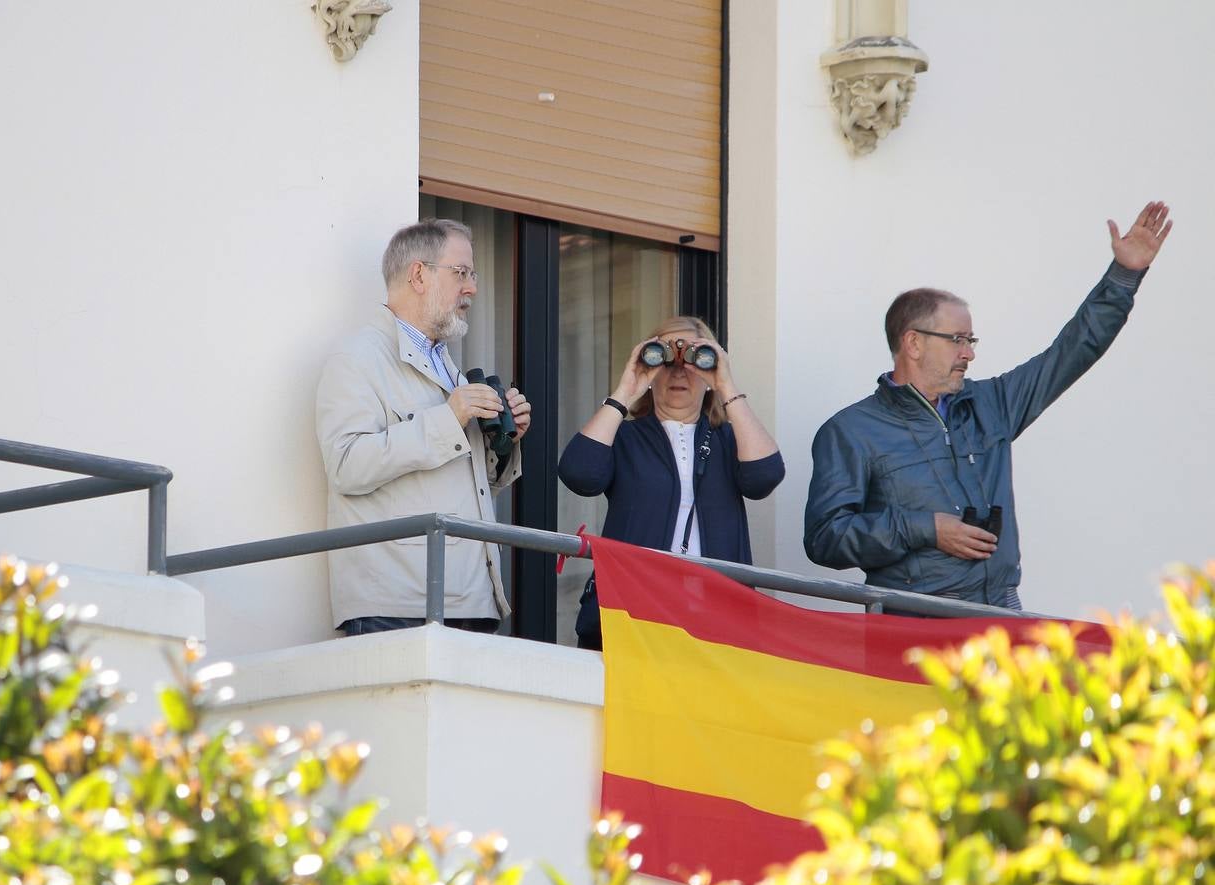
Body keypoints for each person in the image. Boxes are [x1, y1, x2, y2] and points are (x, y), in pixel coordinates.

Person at [804, 202, 1173, 610]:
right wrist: (924, 528)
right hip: (911, 624)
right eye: (958, 339)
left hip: (999, 614)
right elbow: (825, 539)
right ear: (913, 343)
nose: (969, 354)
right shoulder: (851, 430)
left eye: (971, 341)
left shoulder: (991, 404)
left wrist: (1123, 277)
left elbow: (1071, 353)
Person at [316, 219, 532, 635]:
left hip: (470, 596)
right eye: (462, 273)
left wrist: (504, 440)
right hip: (397, 602)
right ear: (419, 274)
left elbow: (455, 479)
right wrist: (450, 417)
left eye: (474, 274)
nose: (472, 288)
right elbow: (346, 465)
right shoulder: (358, 358)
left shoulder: (447, 365)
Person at [559, 316, 785, 649]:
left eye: (694, 360)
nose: (679, 371)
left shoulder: (728, 440)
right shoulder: (625, 437)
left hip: (718, 620)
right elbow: (580, 474)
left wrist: (726, 385)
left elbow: (763, 477)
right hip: (632, 615)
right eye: (666, 360)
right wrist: (627, 389)